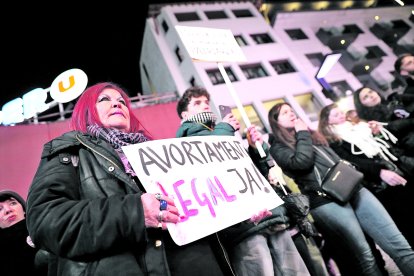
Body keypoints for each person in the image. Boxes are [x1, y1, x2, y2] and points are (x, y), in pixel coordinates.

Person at [26, 82, 235, 276]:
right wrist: (134, 213)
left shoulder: (161, 152)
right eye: (104, 99)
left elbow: (201, 208)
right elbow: (45, 220)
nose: (117, 103)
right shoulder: (69, 151)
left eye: (122, 101)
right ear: (88, 112)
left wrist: (237, 214)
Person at [176, 86, 317, 276]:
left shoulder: (221, 131)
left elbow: (255, 174)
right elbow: (212, 162)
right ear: (185, 114)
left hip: (268, 214)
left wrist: (255, 150)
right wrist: (224, 129)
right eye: (197, 103)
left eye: (207, 102)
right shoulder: (187, 140)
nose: (205, 106)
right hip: (243, 225)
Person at [268, 102, 414, 276]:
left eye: (292, 110)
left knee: (398, 244)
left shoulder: (312, 134)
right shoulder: (278, 147)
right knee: (366, 256)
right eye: (285, 113)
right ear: (276, 122)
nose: (291, 113)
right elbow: (302, 163)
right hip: (325, 200)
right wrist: (301, 134)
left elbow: (336, 158)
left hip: (354, 188)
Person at [318, 103, 414, 248]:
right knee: (403, 216)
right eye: (336, 115)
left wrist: (377, 132)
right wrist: (379, 172)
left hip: (394, 168)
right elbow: (352, 161)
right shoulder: (334, 141)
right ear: (327, 121)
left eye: (341, 112)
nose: (342, 116)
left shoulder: (360, 127)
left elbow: (383, 145)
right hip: (376, 181)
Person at [353, 86, 414, 156]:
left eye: (370, 92)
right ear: (362, 105)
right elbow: (393, 127)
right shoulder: (371, 123)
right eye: (365, 97)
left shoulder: (393, 101)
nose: (371, 96)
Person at [0, 190, 47, 276]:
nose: (8, 210)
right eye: (0, 209)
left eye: (13, 203)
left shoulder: (46, 227)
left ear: (24, 209)